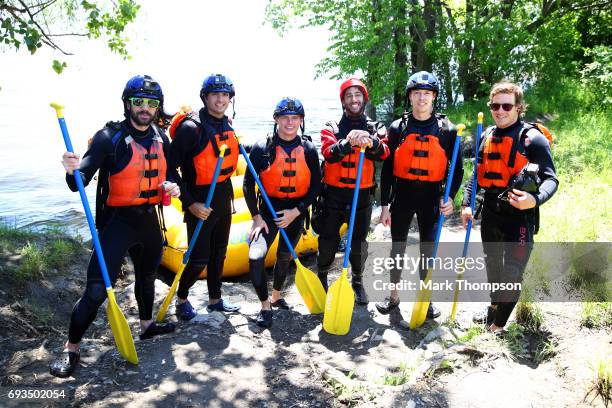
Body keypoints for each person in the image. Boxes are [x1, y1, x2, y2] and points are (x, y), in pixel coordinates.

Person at [51, 75, 179, 378]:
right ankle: (72, 348)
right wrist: (72, 170)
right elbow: (78, 182)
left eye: (151, 103)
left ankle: (147, 326)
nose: (145, 108)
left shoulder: (163, 137)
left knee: (147, 277)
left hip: (149, 221)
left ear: (158, 107)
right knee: (95, 291)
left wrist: (172, 186)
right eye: (139, 102)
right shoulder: (109, 138)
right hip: (116, 224)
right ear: (128, 104)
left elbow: (170, 173)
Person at [460, 81, 558, 334]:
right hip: (492, 215)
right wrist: (466, 204)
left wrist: (534, 200)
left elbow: (551, 179)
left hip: (520, 218)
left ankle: (498, 326)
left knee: (512, 273)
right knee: (492, 266)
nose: (500, 110)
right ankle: (493, 308)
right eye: (495, 105)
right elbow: (475, 178)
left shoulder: (532, 139)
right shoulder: (486, 136)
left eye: (506, 105)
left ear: (518, 107)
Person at [375, 71, 464, 320]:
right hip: (402, 196)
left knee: (428, 250)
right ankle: (393, 296)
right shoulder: (397, 128)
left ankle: (426, 298)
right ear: (410, 97)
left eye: (427, 93)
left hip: (431, 198)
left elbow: (457, 170)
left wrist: (450, 197)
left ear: (434, 96)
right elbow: (388, 171)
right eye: (417, 93)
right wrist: (384, 205)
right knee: (397, 248)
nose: (422, 98)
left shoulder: (448, 130)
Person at [168, 74, 241, 320]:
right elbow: (169, 170)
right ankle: (181, 298)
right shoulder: (191, 129)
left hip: (223, 195)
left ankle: (215, 299)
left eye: (225, 95)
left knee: (219, 252)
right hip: (199, 198)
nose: (221, 100)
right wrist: (190, 204)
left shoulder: (227, 124)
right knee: (199, 259)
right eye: (215, 95)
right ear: (205, 97)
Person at [243, 97, 322, 328]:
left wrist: (296, 212)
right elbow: (248, 184)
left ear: (301, 121)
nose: (290, 122)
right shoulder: (262, 148)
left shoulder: (308, 148)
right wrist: (256, 217)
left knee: (284, 256)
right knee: (255, 257)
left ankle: (277, 295)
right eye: (285, 118)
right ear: (276, 119)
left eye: (295, 118)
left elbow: (316, 185)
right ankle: (265, 305)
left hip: (295, 213)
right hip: (267, 213)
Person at [317, 78, 389, 304]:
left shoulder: (376, 128)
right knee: (328, 242)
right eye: (349, 96)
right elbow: (329, 153)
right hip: (333, 196)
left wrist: (370, 142)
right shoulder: (331, 127)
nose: (354, 99)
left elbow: (385, 152)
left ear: (364, 99)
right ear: (343, 102)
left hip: (362, 196)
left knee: (358, 245)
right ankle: (321, 278)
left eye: (358, 95)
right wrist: (349, 142)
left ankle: (357, 282)